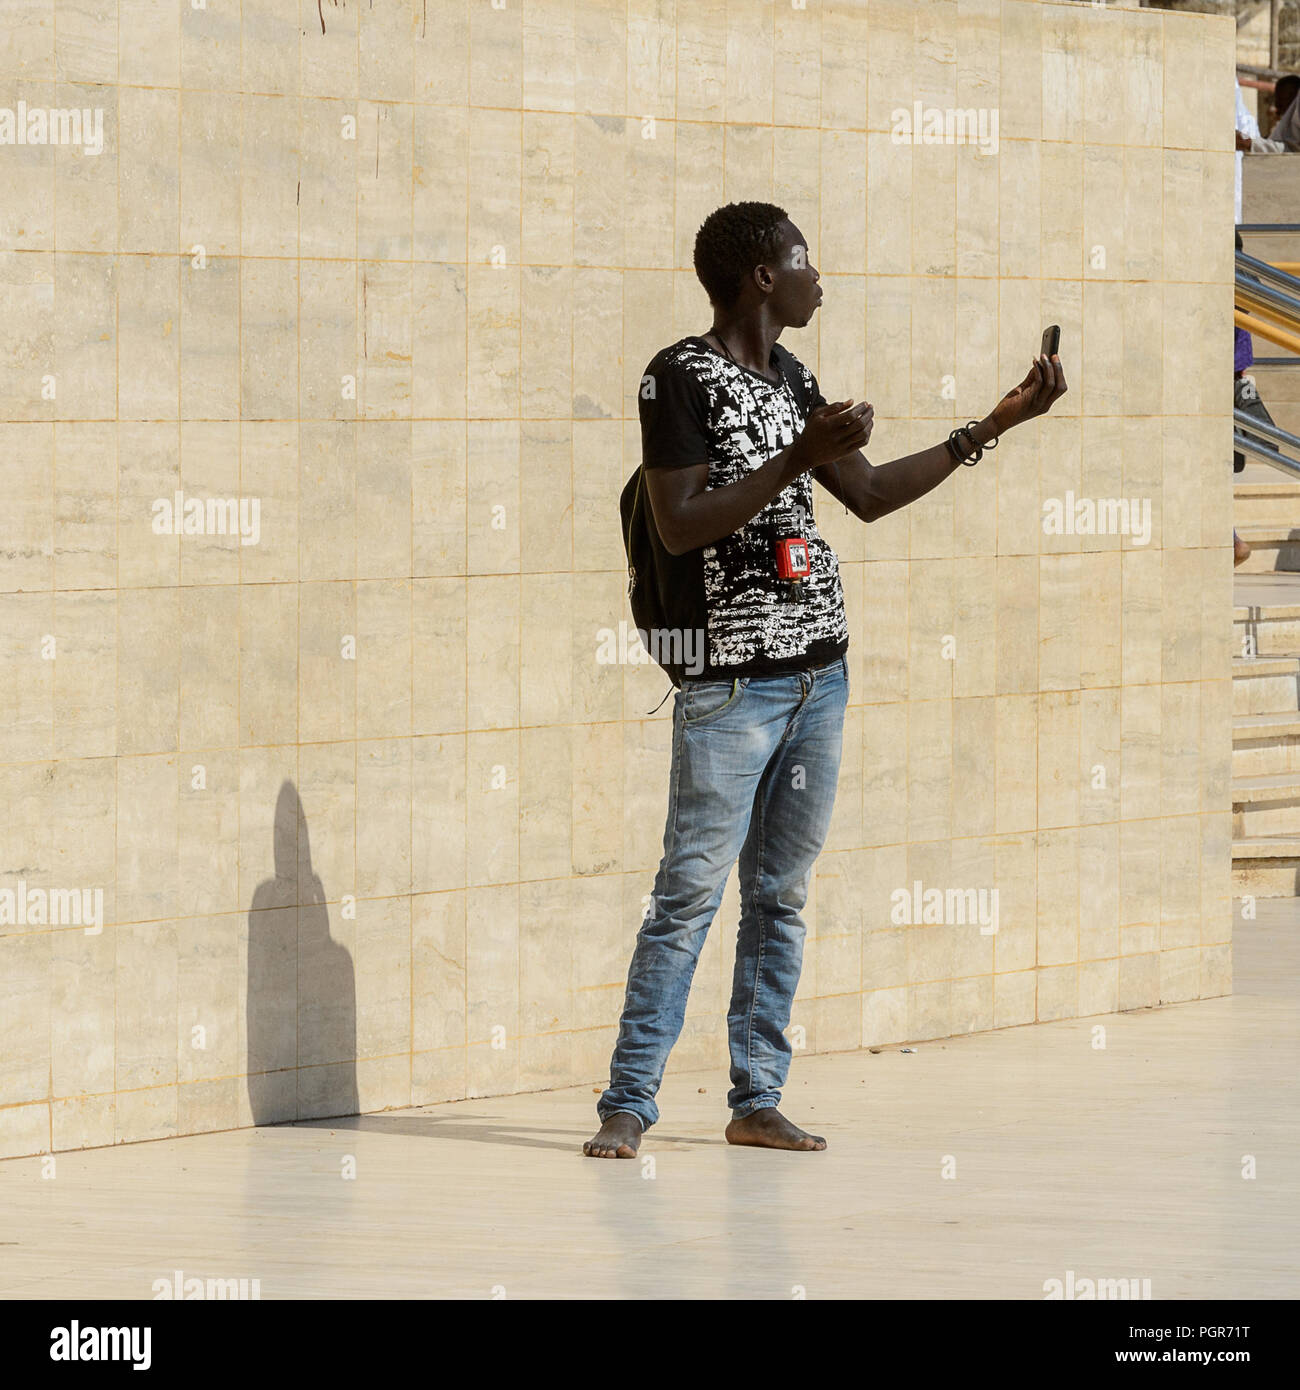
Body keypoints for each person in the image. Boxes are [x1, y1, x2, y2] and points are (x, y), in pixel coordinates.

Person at [584, 201, 1067, 1158]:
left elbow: (874, 494)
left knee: (781, 894)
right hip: (731, 686)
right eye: (805, 262)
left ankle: (755, 1096)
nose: (819, 279)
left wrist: (997, 423)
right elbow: (681, 522)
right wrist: (793, 459)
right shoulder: (675, 377)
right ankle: (629, 1102)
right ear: (762, 276)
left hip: (819, 680)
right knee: (689, 891)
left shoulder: (793, 376)